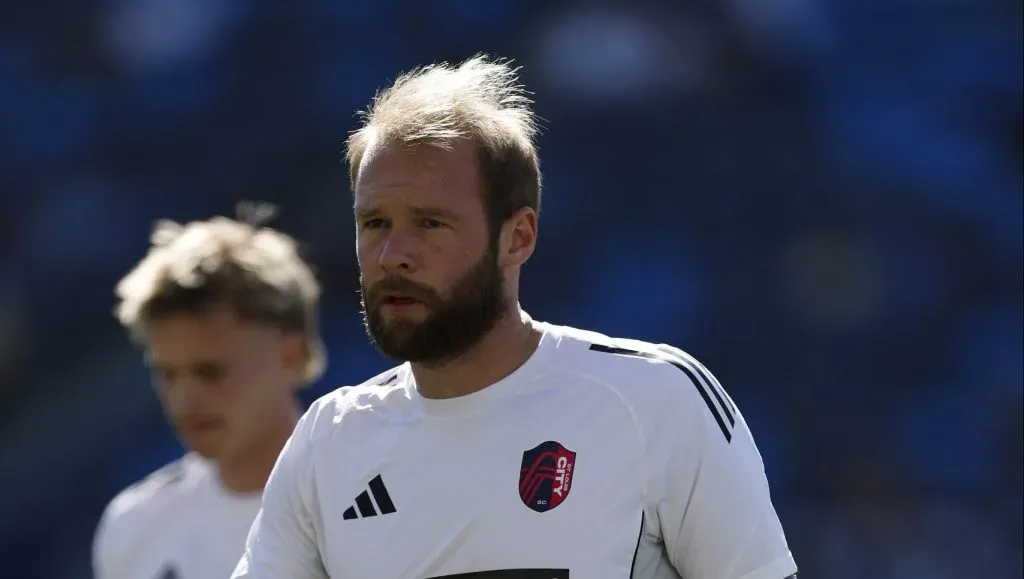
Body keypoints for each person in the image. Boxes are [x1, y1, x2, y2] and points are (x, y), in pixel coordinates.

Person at [233, 56, 798, 579]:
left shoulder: (652, 400)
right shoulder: (329, 443)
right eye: (375, 223)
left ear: (518, 237)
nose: (392, 255)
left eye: (430, 223)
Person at [92, 207, 326, 579]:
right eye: (167, 374)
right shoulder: (133, 529)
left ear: (290, 357)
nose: (184, 400)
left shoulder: (369, 500)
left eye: (211, 372)